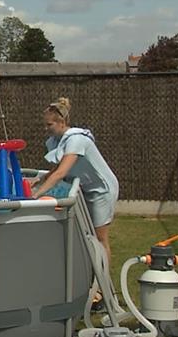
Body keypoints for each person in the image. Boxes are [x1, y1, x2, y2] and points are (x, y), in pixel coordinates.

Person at [31, 98, 119, 305]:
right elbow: (56, 168)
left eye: (49, 124)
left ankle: (102, 289)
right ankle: (90, 282)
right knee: (87, 237)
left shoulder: (77, 140)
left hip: (102, 190)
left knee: (100, 239)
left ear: (61, 122)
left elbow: (61, 172)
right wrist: (39, 180)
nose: (46, 128)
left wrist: (35, 196)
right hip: (86, 188)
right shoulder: (57, 140)